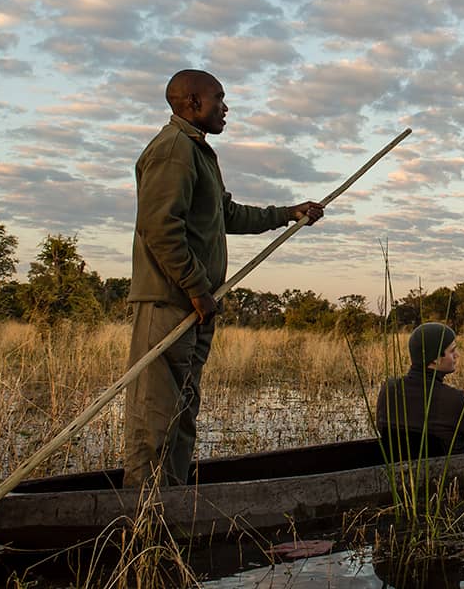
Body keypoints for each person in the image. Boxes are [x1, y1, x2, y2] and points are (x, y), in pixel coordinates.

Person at [125, 69, 325, 488]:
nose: (226, 107)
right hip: (168, 304)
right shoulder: (173, 148)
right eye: (219, 98)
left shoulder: (199, 153)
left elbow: (226, 214)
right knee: (155, 417)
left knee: (181, 413)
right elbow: (159, 228)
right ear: (193, 102)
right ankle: (141, 520)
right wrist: (197, 289)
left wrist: (287, 214)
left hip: (194, 307)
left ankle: (170, 509)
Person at [376, 322, 464, 459]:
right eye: (452, 351)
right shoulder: (454, 400)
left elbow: (382, 429)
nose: (457, 355)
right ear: (435, 359)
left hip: (401, 469)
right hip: (452, 475)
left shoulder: (388, 389)